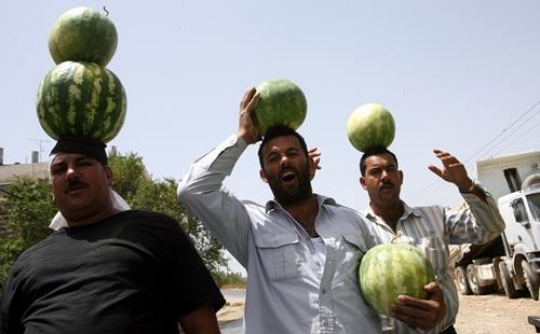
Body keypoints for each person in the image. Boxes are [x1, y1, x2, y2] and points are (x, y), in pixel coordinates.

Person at [177, 87, 384, 333]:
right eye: (274, 158)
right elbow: (191, 190)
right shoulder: (250, 226)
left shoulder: (354, 221)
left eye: (292, 153)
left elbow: (390, 282)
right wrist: (242, 137)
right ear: (264, 175)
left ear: (309, 167)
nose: (284, 160)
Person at [0, 136, 225, 334]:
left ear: (108, 176)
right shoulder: (26, 264)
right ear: (52, 190)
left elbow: (200, 324)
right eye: (60, 169)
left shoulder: (157, 232)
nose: (70, 173)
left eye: (83, 163)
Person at [357, 146, 505, 333]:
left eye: (391, 169)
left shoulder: (435, 216)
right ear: (363, 182)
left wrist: (466, 185)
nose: (385, 176)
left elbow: (492, 228)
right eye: (376, 172)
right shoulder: (354, 228)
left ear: (400, 177)